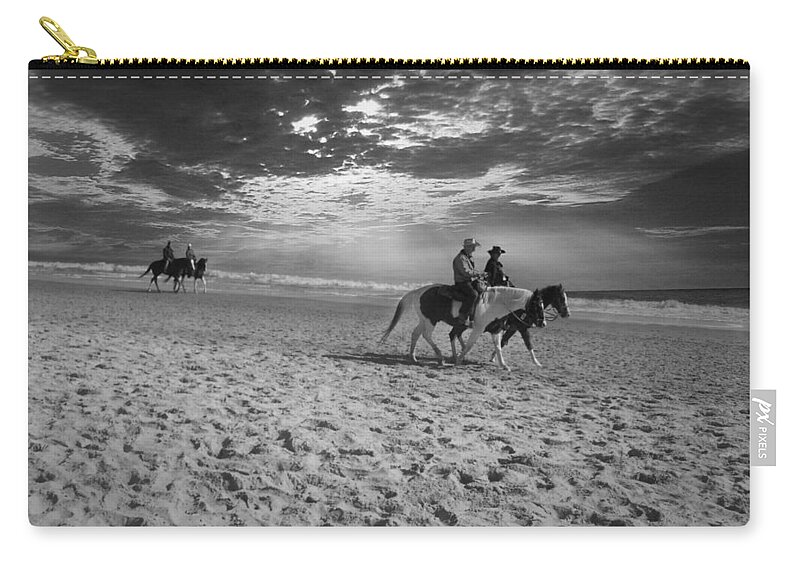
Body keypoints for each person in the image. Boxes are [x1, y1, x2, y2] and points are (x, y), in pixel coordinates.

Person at [452, 238, 485, 325]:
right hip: (462, 282)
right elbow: (466, 272)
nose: (474, 249)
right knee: (473, 294)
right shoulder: (460, 258)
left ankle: (475, 315)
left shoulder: (467, 257)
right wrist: (479, 274)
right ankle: (463, 316)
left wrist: (479, 274)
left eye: (474, 247)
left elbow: (471, 271)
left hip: (468, 281)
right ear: (467, 247)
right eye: (473, 247)